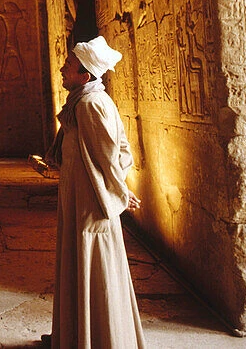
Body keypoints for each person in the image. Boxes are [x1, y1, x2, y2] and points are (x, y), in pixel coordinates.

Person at [46, 35, 145, 349]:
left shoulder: (89, 104)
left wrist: (119, 190)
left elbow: (107, 155)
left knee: (93, 264)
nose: (62, 69)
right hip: (81, 195)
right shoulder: (84, 101)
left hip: (90, 200)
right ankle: (79, 335)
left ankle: (96, 339)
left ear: (84, 76)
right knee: (83, 262)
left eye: (69, 66)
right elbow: (117, 151)